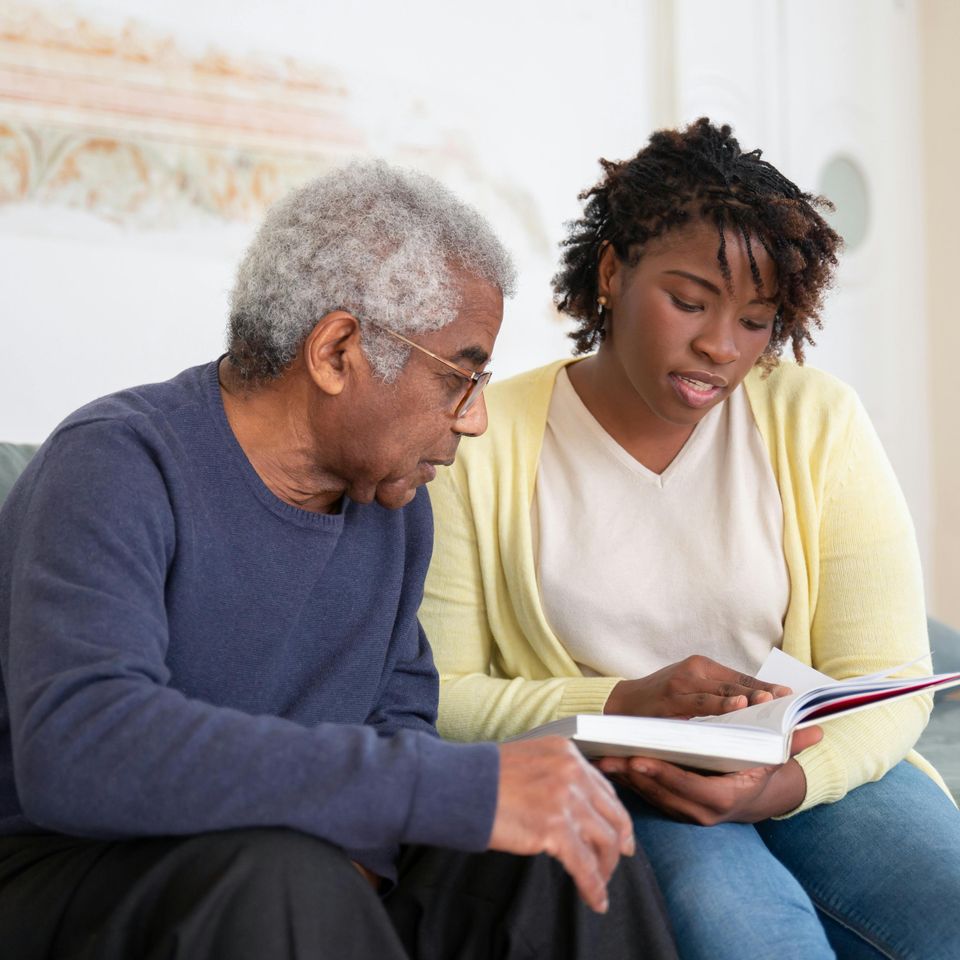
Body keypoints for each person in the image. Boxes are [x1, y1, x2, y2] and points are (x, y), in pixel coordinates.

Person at [0, 161, 680, 960]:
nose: (476, 421)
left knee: (565, 846)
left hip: (300, 884)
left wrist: (368, 859)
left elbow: (397, 721)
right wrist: (437, 793)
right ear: (336, 351)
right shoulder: (117, 463)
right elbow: (84, 745)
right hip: (71, 874)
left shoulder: (393, 508)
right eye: (460, 377)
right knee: (288, 878)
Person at [422, 119, 960, 960]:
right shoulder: (483, 440)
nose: (720, 347)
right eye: (689, 302)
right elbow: (439, 692)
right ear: (612, 272)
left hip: (811, 766)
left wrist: (783, 785)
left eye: (755, 320)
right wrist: (625, 704)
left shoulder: (816, 420)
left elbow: (889, 679)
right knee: (749, 936)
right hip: (627, 775)